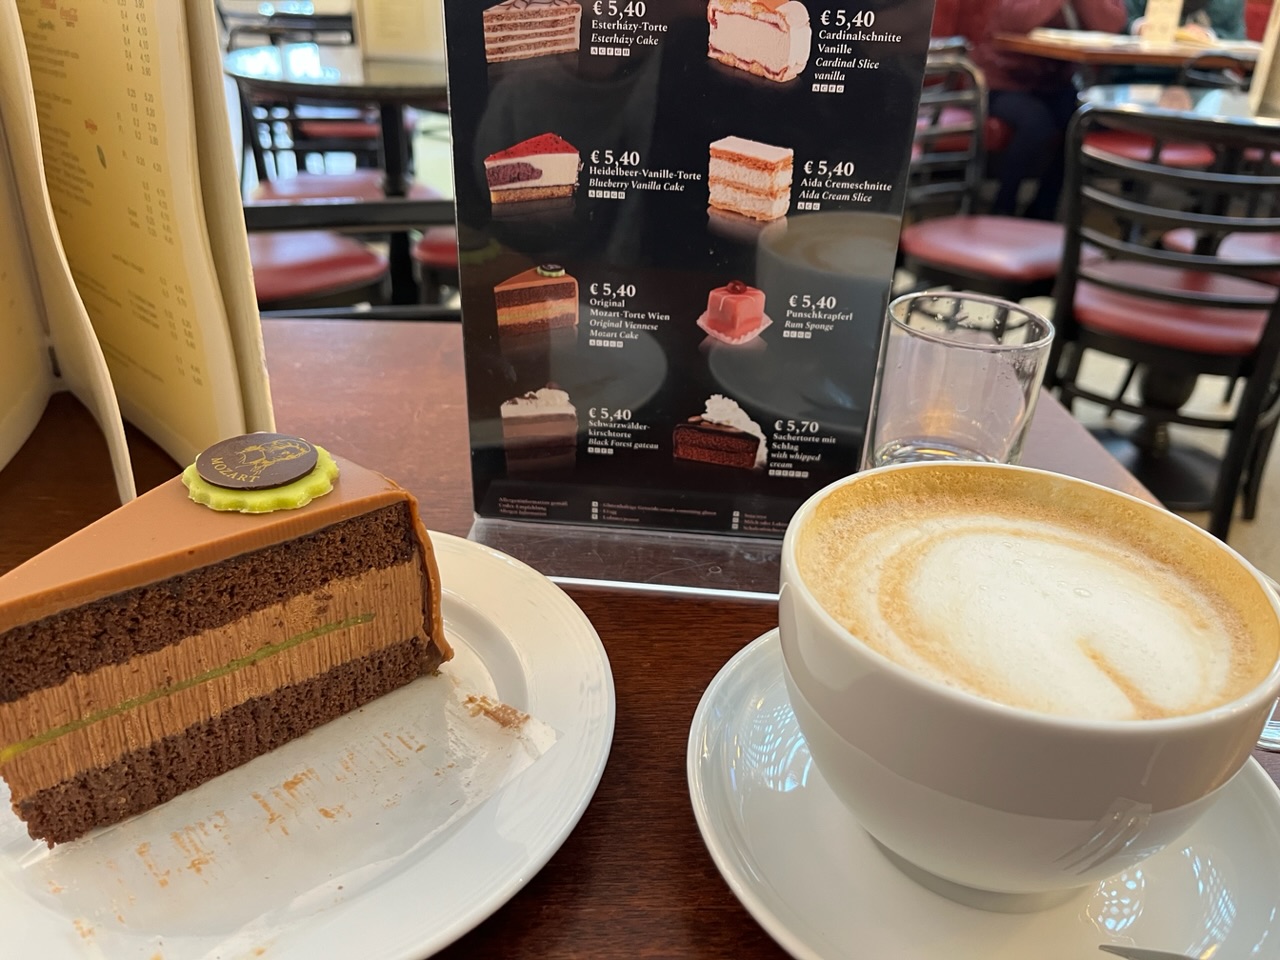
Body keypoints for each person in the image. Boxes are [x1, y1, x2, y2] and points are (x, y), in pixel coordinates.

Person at [957, 0, 1128, 220]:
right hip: (1000, 81)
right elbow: (1016, 20)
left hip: (1052, 83)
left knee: (1077, 119)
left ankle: (1043, 210)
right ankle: (1002, 207)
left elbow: (1111, 24)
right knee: (1035, 122)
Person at [1126, 0, 1246, 42]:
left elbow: (1237, 37)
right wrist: (1138, 26)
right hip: (1139, 70)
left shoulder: (1229, 3)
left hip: (1207, 75)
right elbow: (1123, 18)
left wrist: (1209, 35)